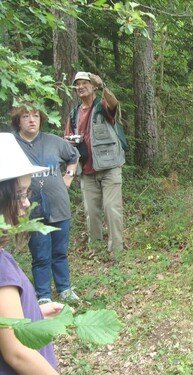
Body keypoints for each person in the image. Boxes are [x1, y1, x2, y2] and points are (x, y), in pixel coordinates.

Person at [0, 132, 64, 374]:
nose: (26, 203)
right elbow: (17, 352)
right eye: (19, 195)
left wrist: (33, 313)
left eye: (27, 193)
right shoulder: (1, 267)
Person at [11, 105, 80, 305]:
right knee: (40, 254)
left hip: (58, 204)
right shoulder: (11, 144)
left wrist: (69, 176)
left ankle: (64, 289)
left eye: (36, 116)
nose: (32, 120)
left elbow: (74, 156)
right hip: (30, 206)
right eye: (26, 116)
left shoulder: (53, 141)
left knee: (59, 251)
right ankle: (43, 296)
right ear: (18, 121)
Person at [64, 72, 125, 258]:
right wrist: (70, 143)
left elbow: (114, 104)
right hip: (86, 171)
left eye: (84, 83)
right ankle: (96, 250)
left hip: (109, 167)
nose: (81, 87)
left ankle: (117, 250)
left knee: (111, 208)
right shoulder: (74, 113)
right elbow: (66, 139)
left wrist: (103, 86)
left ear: (92, 86)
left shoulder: (102, 105)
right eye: (77, 84)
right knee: (91, 212)